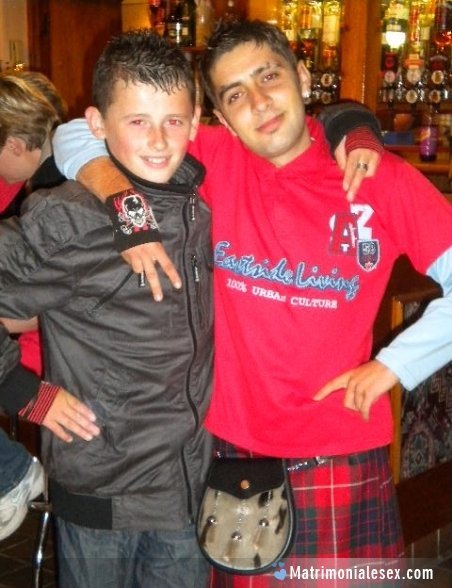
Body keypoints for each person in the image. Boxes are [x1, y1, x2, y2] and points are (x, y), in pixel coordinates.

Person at [54, 20, 452, 586]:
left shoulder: (374, 176)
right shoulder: (214, 158)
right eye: (236, 94)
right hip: (231, 455)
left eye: (269, 77)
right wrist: (124, 202)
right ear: (216, 115)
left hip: (338, 452)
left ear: (303, 77)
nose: (259, 102)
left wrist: (394, 365)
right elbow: (75, 133)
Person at [0, 31, 213, 588]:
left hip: (184, 490)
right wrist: (22, 391)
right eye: (138, 121)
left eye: (173, 120)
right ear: (96, 124)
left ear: (196, 123)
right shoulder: (70, 217)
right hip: (102, 492)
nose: (159, 140)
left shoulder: (197, 206)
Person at [0, 74, 100, 542]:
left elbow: (69, 303)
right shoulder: (30, 178)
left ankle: (11, 473)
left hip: (60, 357)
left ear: (17, 145)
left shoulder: (58, 196)